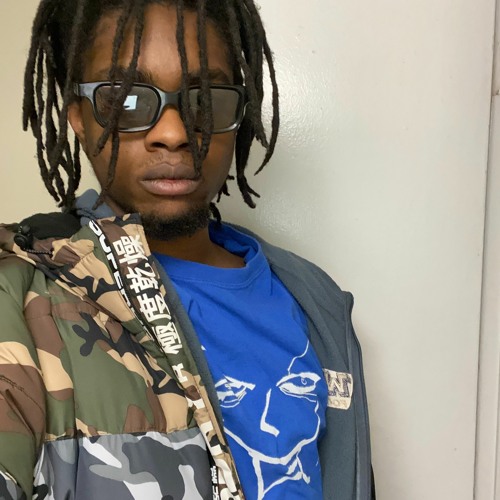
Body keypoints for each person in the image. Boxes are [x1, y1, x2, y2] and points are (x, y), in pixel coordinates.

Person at [0, 1, 374, 499]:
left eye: (205, 101)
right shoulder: (19, 298)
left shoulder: (314, 299)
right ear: (79, 118)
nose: (174, 134)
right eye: (126, 100)